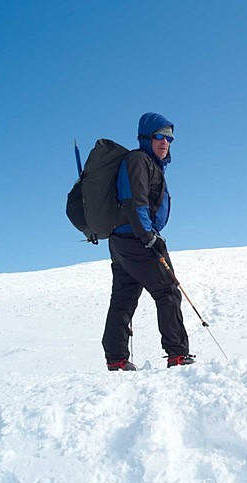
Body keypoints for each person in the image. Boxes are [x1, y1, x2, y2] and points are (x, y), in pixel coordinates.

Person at [101, 112, 194, 371]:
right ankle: (177, 354)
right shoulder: (139, 160)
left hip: (123, 241)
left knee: (123, 298)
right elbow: (135, 200)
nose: (165, 142)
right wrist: (149, 237)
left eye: (170, 138)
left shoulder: (148, 163)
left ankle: (116, 359)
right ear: (146, 138)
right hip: (136, 239)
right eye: (159, 137)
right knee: (167, 290)